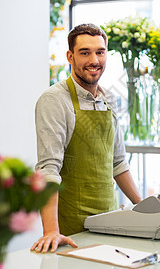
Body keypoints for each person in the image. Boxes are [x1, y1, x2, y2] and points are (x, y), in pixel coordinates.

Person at [31, 23, 141, 254]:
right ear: (70, 56)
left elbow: (118, 163)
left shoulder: (109, 97)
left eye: (100, 52)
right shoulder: (54, 100)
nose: (94, 60)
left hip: (110, 223)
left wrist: (144, 208)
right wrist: (51, 231)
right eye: (85, 52)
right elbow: (48, 169)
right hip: (72, 228)